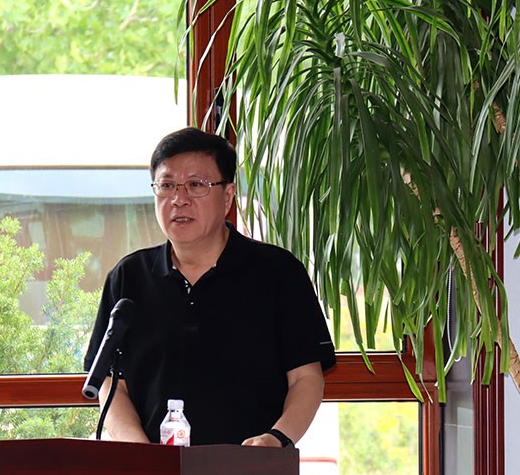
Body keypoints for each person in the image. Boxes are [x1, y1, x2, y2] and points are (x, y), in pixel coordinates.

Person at [83, 127, 336, 447]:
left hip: (251, 463)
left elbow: (306, 378)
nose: (179, 199)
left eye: (196, 185)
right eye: (167, 185)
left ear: (228, 195)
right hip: (157, 466)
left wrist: (275, 439)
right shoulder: (129, 277)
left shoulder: (278, 273)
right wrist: (142, 453)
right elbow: (111, 384)